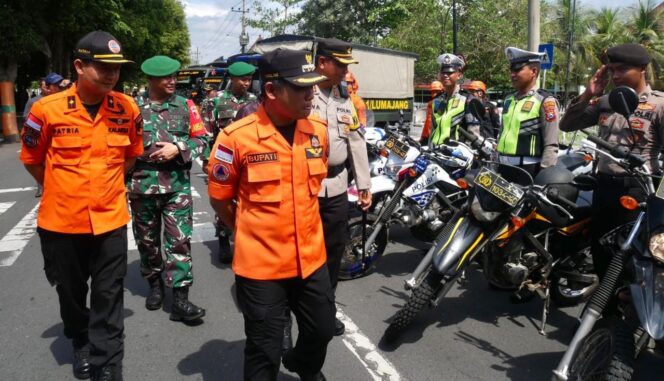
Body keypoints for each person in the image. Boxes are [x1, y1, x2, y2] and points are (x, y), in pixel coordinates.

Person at [19, 30, 142, 381]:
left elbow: (131, 156)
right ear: (78, 66)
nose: (111, 74)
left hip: (111, 220)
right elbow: (32, 158)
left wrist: (104, 186)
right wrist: (59, 186)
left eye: (116, 68)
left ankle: (108, 364)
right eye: (102, 66)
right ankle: (81, 339)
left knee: (109, 293)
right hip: (61, 222)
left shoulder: (127, 108)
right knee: (72, 294)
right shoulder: (46, 110)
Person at [208, 48, 334, 381]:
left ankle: (304, 365)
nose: (311, 95)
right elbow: (220, 199)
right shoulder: (236, 138)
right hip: (261, 265)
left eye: (313, 87)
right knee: (264, 350)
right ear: (271, 90)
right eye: (301, 88)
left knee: (322, 330)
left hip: (310, 258)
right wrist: (247, 231)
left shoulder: (317, 130)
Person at [560, 43, 664, 277]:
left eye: (622, 69)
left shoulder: (659, 105)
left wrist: (660, 200)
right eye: (611, 70)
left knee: (631, 256)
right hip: (604, 185)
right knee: (601, 251)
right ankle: (604, 311)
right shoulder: (606, 101)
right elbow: (567, 125)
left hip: (637, 191)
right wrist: (589, 93)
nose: (615, 75)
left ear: (643, 69)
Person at [126, 55, 208, 322]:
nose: (173, 81)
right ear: (150, 79)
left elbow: (203, 140)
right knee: (147, 242)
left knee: (179, 242)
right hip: (142, 186)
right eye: (166, 77)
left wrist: (179, 147)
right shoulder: (133, 109)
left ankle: (181, 299)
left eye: (175, 76)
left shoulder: (186, 106)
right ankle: (154, 284)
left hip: (177, 188)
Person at [310, 38, 372, 337]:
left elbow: (355, 141)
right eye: (341, 64)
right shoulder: (301, 92)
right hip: (303, 189)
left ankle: (326, 307)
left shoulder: (343, 96)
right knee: (301, 254)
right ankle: (289, 314)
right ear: (322, 63)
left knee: (334, 252)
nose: (346, 70)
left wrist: (363, 184)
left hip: (335, 187)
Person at [207, 61, 258, 263]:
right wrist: (206, 159)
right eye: (243, 79)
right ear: (233, 79)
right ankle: (222, 238)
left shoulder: (255, 100)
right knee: (224, 198)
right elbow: (208, 129)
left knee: (246, 199)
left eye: (249, 79)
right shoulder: (217, 100)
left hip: (247, 157)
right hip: (224, 158)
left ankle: (244, 238)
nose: (247, 83)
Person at [497, 47, 559, 176]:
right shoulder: (509, 100)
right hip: (502, 167)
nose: (512, 74)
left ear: (534, 71)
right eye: (511, 70)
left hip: (528, 170)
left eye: (518, 69)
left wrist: (544, 177)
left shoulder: (545, 101)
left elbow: (551, 145)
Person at [24, 73, 70, 198]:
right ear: (48, 87)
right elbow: (30, 161)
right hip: (42, 144)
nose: (61, 87)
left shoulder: (70, 101)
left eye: (61, 85)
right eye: (57, 85)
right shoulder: (36, 103)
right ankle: (43, 187)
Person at [428, 53, 483, 146]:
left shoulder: (468, 100)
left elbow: (474, 135)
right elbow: (433, 130)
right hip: (435, 154)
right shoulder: (437, 101)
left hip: (456, 156)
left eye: (450, 72)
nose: (445, 75)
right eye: (443, 72)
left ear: (459, 75)